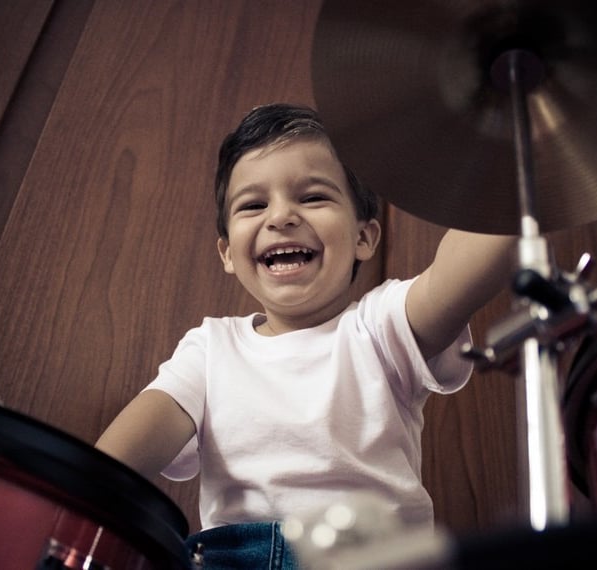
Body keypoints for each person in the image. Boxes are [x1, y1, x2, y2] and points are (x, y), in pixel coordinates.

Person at [96, 103, 516, 568]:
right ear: (227, 253)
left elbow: (468, 266)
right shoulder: (210, 349)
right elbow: (115, 463)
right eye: (254, 205)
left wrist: (508, 148)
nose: (281, 216)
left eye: (313, 197)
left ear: (364, 237)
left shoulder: (380, 328)